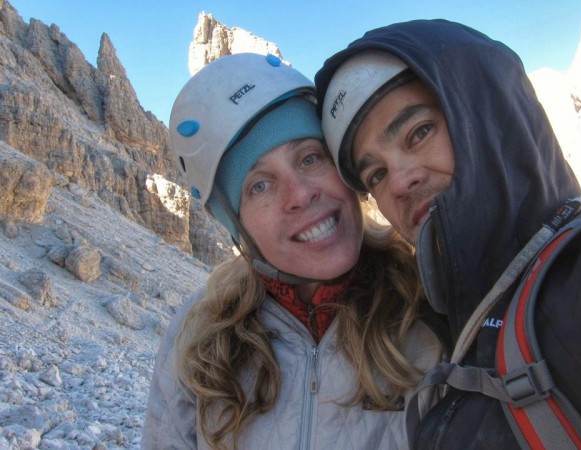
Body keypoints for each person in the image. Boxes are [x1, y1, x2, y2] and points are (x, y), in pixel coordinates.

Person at [315, 19, 581, 449]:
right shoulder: (441, 330)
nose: (398, 182)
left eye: (419, 132)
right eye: (376, 173)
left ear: (487, 112)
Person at [141, 52, 447, 450]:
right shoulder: (198, 337)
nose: (300, 194)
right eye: (259, 186)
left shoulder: (429, 304)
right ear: (239, 227)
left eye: (309, 158)